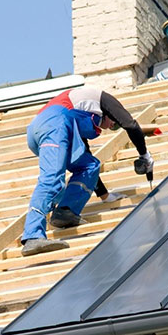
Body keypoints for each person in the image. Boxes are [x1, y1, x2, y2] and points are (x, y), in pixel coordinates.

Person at [20, 86, 153, 256]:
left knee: (89, 165)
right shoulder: (103, 99)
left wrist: (106, 197)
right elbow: (131, 125)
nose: (112, 126)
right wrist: (145, 156)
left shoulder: (81, 115)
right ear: (109, 113)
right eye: (114, 124)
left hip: (53, 127)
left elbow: (86, 153)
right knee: (52, 179)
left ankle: (65, 212)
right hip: (53, 125)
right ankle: (32, 236)